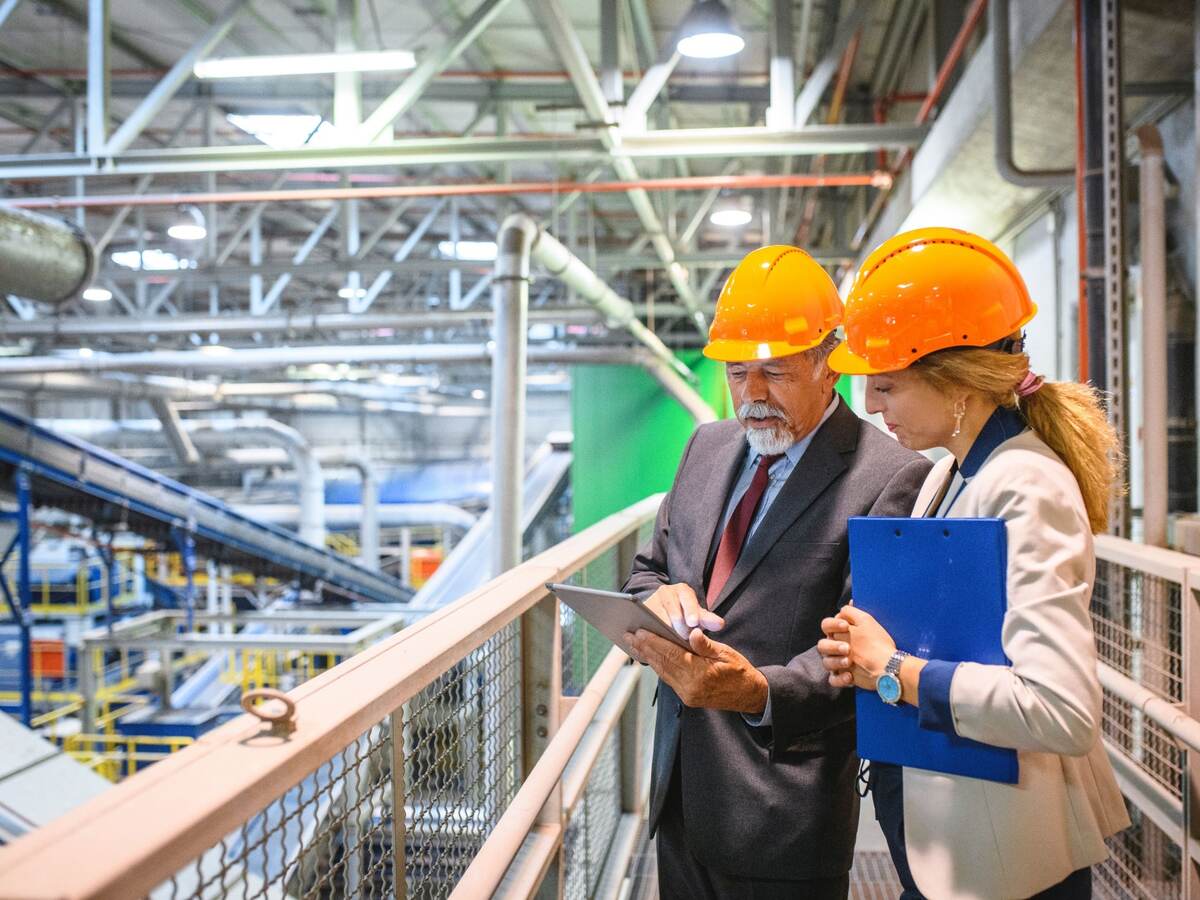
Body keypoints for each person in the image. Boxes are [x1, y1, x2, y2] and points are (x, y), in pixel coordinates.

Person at [817, 227, 1131, 900]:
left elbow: (1060, 710)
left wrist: (893, 671)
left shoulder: (1025, 485)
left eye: (888, 385)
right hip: (950, 844)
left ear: (955, 382)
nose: (871, 404)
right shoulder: (949, 476)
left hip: (1005, 867)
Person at [622, 245, 931, 900]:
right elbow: (648, 571)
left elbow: (870, 654)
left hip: (781, 818)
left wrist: (757, 691)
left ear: (829, 367)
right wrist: (660, 601)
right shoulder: (706, 448)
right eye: (738, 374)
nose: (752, 394)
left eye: (774, 373)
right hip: (679, 793)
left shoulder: (890, 477)